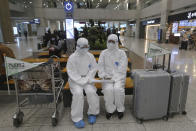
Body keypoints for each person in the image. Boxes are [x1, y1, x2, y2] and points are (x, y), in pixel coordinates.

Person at [66, 38, 100, 128]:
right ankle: (77, 118)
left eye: (86, 46)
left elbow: (93, 68)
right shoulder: (72, 58)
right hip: (75, 81)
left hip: (88, 79)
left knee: (91, 92)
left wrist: (88, 78)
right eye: (83, 47)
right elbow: (71, 72)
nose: (85, 48)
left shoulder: (90, 56)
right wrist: (81, 80)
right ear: (78, 46)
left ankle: (93, 113)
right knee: (78, 93)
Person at [98, 34, 128, 120]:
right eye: (109, 41)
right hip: (106, 78)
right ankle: (110, 110)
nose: (111, 43)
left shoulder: (121, 53)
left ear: (116, 42)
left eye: (113, 41)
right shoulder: (103, 53)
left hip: (119, 77)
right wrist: (103, 75)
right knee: (108, 90)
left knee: (118, 89)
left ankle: (120, 109)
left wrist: (115, 77)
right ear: (107, 42)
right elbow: (100, 66)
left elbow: (122, 68)